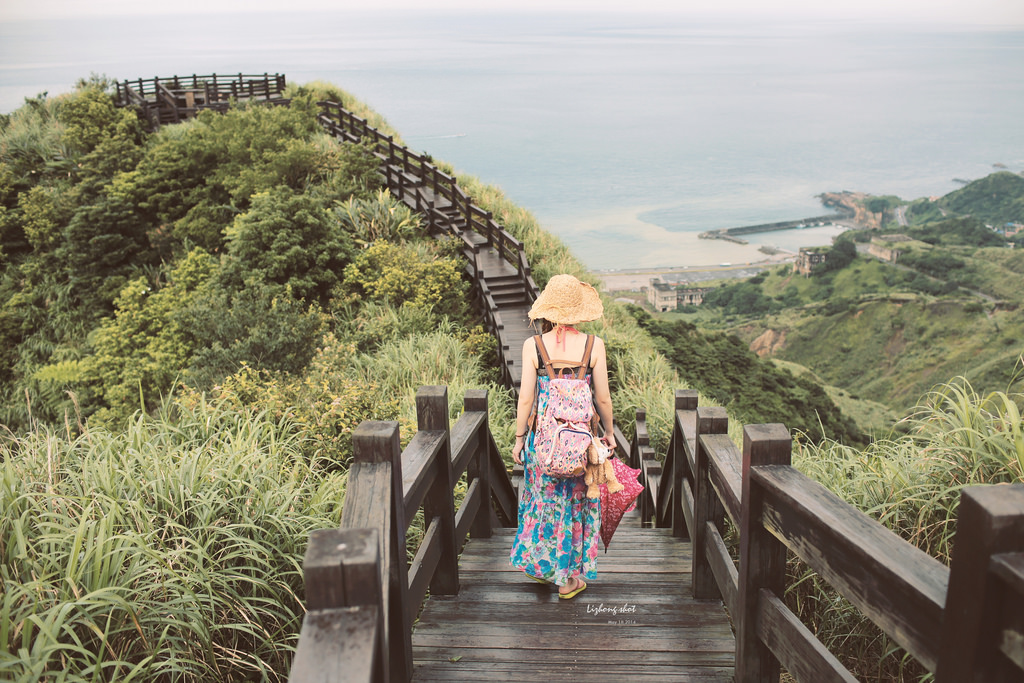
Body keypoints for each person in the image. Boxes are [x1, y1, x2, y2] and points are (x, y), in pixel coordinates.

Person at [509, 274, 615, 599]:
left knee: (544, 502)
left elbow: (525, 398)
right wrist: (609, 432)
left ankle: (547, 566)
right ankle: (567, 579)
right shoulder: (594, 345)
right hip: (580, 446)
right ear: (579, 311)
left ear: (548, 310)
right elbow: (604, 397)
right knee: (574, 505)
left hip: (544, 444)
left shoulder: (533, 346)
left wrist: (518, 437)